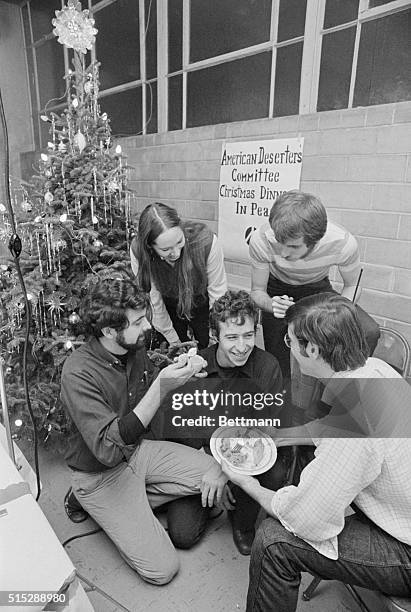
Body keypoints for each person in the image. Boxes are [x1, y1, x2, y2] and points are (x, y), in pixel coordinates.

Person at [221, 293, 411, 612]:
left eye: (290, 339)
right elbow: (331, 427)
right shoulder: (375, 369)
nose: (288, 347)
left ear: (311, 349)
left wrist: (245, 482)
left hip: (404, 548)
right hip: (401, 509)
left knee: (273, 540)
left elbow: (306, 518)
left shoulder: (356, 418)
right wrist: (276, 437)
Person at [60, 276, 232, 586]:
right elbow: (109, 449)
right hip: (101, 473)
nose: (147, 327)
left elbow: (150, 383)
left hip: (139, 452)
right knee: (163, 570)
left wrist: (184, 376)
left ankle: (130, 504)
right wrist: (163, 385)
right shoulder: (78, 373)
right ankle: (90, 499)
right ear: (110, 331)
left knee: (218, 473)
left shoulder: (133, 348)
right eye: (138, 321)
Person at [162, 290, 290, 556]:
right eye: (231, 337)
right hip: (204, 456)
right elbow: (183, 430)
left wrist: (230, 473)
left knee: (276, 471)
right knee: (183, 535)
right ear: (215, 336)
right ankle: (212, 499)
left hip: (250, 455)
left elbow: (264, 431)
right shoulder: (196, 368)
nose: (242, 346)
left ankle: (242, 522)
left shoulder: (267, 366)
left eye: (248, 336)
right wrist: (212, 468)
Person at [249, 190, 380, 380]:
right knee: (278, 355)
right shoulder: (261, 239)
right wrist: (271, 304)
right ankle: (283, 405)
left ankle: (334, 392)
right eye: (280, 243)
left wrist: (339, 318)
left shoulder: (343, 243)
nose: (284, 253)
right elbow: (257, 291)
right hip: (277, 290)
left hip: (317, 289)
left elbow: (353, 285)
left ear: (315, 241)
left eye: (293, 246)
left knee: (368, 332)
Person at [130, 202, 227, 349]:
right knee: (173, 353)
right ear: (150, 247)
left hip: (202, 302)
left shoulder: (206, 241)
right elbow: (154, 300)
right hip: (167, 307)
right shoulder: (139, 251)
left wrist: (216, 333)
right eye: (166, 249)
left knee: (207, 348)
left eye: (179, 242)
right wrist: (174, 340)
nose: (176, 253)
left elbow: (218, 292)